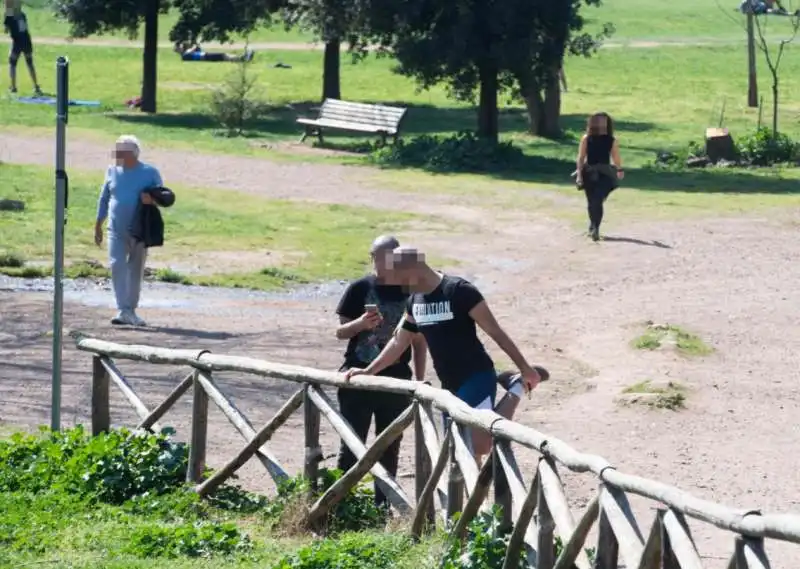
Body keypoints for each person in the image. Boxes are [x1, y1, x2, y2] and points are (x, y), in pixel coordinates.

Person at [345, 246, 543, 460]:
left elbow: (495, 331)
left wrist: (525, 368)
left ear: (414, 269)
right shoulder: (415, 301)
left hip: (476, 374)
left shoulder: (460, 291)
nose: (398, 285)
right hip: (449, 382)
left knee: (480, 444)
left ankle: (516, 387)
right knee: (461, 449)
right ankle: (473, 495)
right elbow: (398, 342)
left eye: (399, 278)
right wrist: (369, 371)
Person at [335, 235, 427, 509]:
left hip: (396, 379)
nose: (380, 263)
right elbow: (340, 332)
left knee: (389, 446)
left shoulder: (411, 291)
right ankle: (340, 506)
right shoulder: (360, 288)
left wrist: (419, 380)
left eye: (386, 257)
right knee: (352, 443)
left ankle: (382, 507)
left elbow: (419, 342)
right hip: (356, 375)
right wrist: (361, 324)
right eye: (375, 257)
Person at [94, 135, 164, 327]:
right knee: (116, 264)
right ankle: (123, 309)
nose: (117, 155)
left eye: (122, 152)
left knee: (135, 268)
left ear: (134, 154)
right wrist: (98, 224)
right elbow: (104, 198)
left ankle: (130, 310)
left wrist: (152, 200)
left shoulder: (150, 172)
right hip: (115, 229)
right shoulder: (112, 171)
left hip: (139, 230)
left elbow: (163, 196)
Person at [575, 112, 624, 242]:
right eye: (599, 120)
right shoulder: (587, 138)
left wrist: (619, 169)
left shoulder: (611, 140)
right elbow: (581, 157)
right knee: (591, 202)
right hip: (589, 172)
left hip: (605, 173)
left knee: (598, 199)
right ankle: (593, 226)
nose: (602, 123)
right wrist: (579, 174)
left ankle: (596, 227)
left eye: (604, 121)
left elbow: (616, 157)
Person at [4, 0, 42, 95]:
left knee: (12, 63)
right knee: (30, 63)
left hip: (17, 42)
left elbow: (6, 30)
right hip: (26, 40)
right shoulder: (22, 15)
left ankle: (13, 87)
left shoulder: (9, 16)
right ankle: (36, 86)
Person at [174, 42, 255, 63]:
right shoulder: (184, 56)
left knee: (224, 56)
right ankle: (243, 59)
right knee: (224, 56)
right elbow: (192, 50)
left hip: (206, 56)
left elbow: (198, 49)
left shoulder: (186, 54)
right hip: (206, 57)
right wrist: (194, 46)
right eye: (180, 47)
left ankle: (242, 58)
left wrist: (195, 46)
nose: (182, 47)